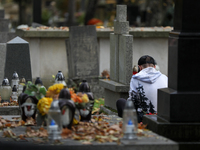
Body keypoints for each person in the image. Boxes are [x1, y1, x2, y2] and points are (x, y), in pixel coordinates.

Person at [116, 55, 168, 122]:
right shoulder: (164, 78)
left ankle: (127, 126)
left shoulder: (135, 78)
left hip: (142, 118)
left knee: (120, 102)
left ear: (139, 67)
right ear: (154, 67)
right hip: (162, 117)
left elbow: (132, 101)